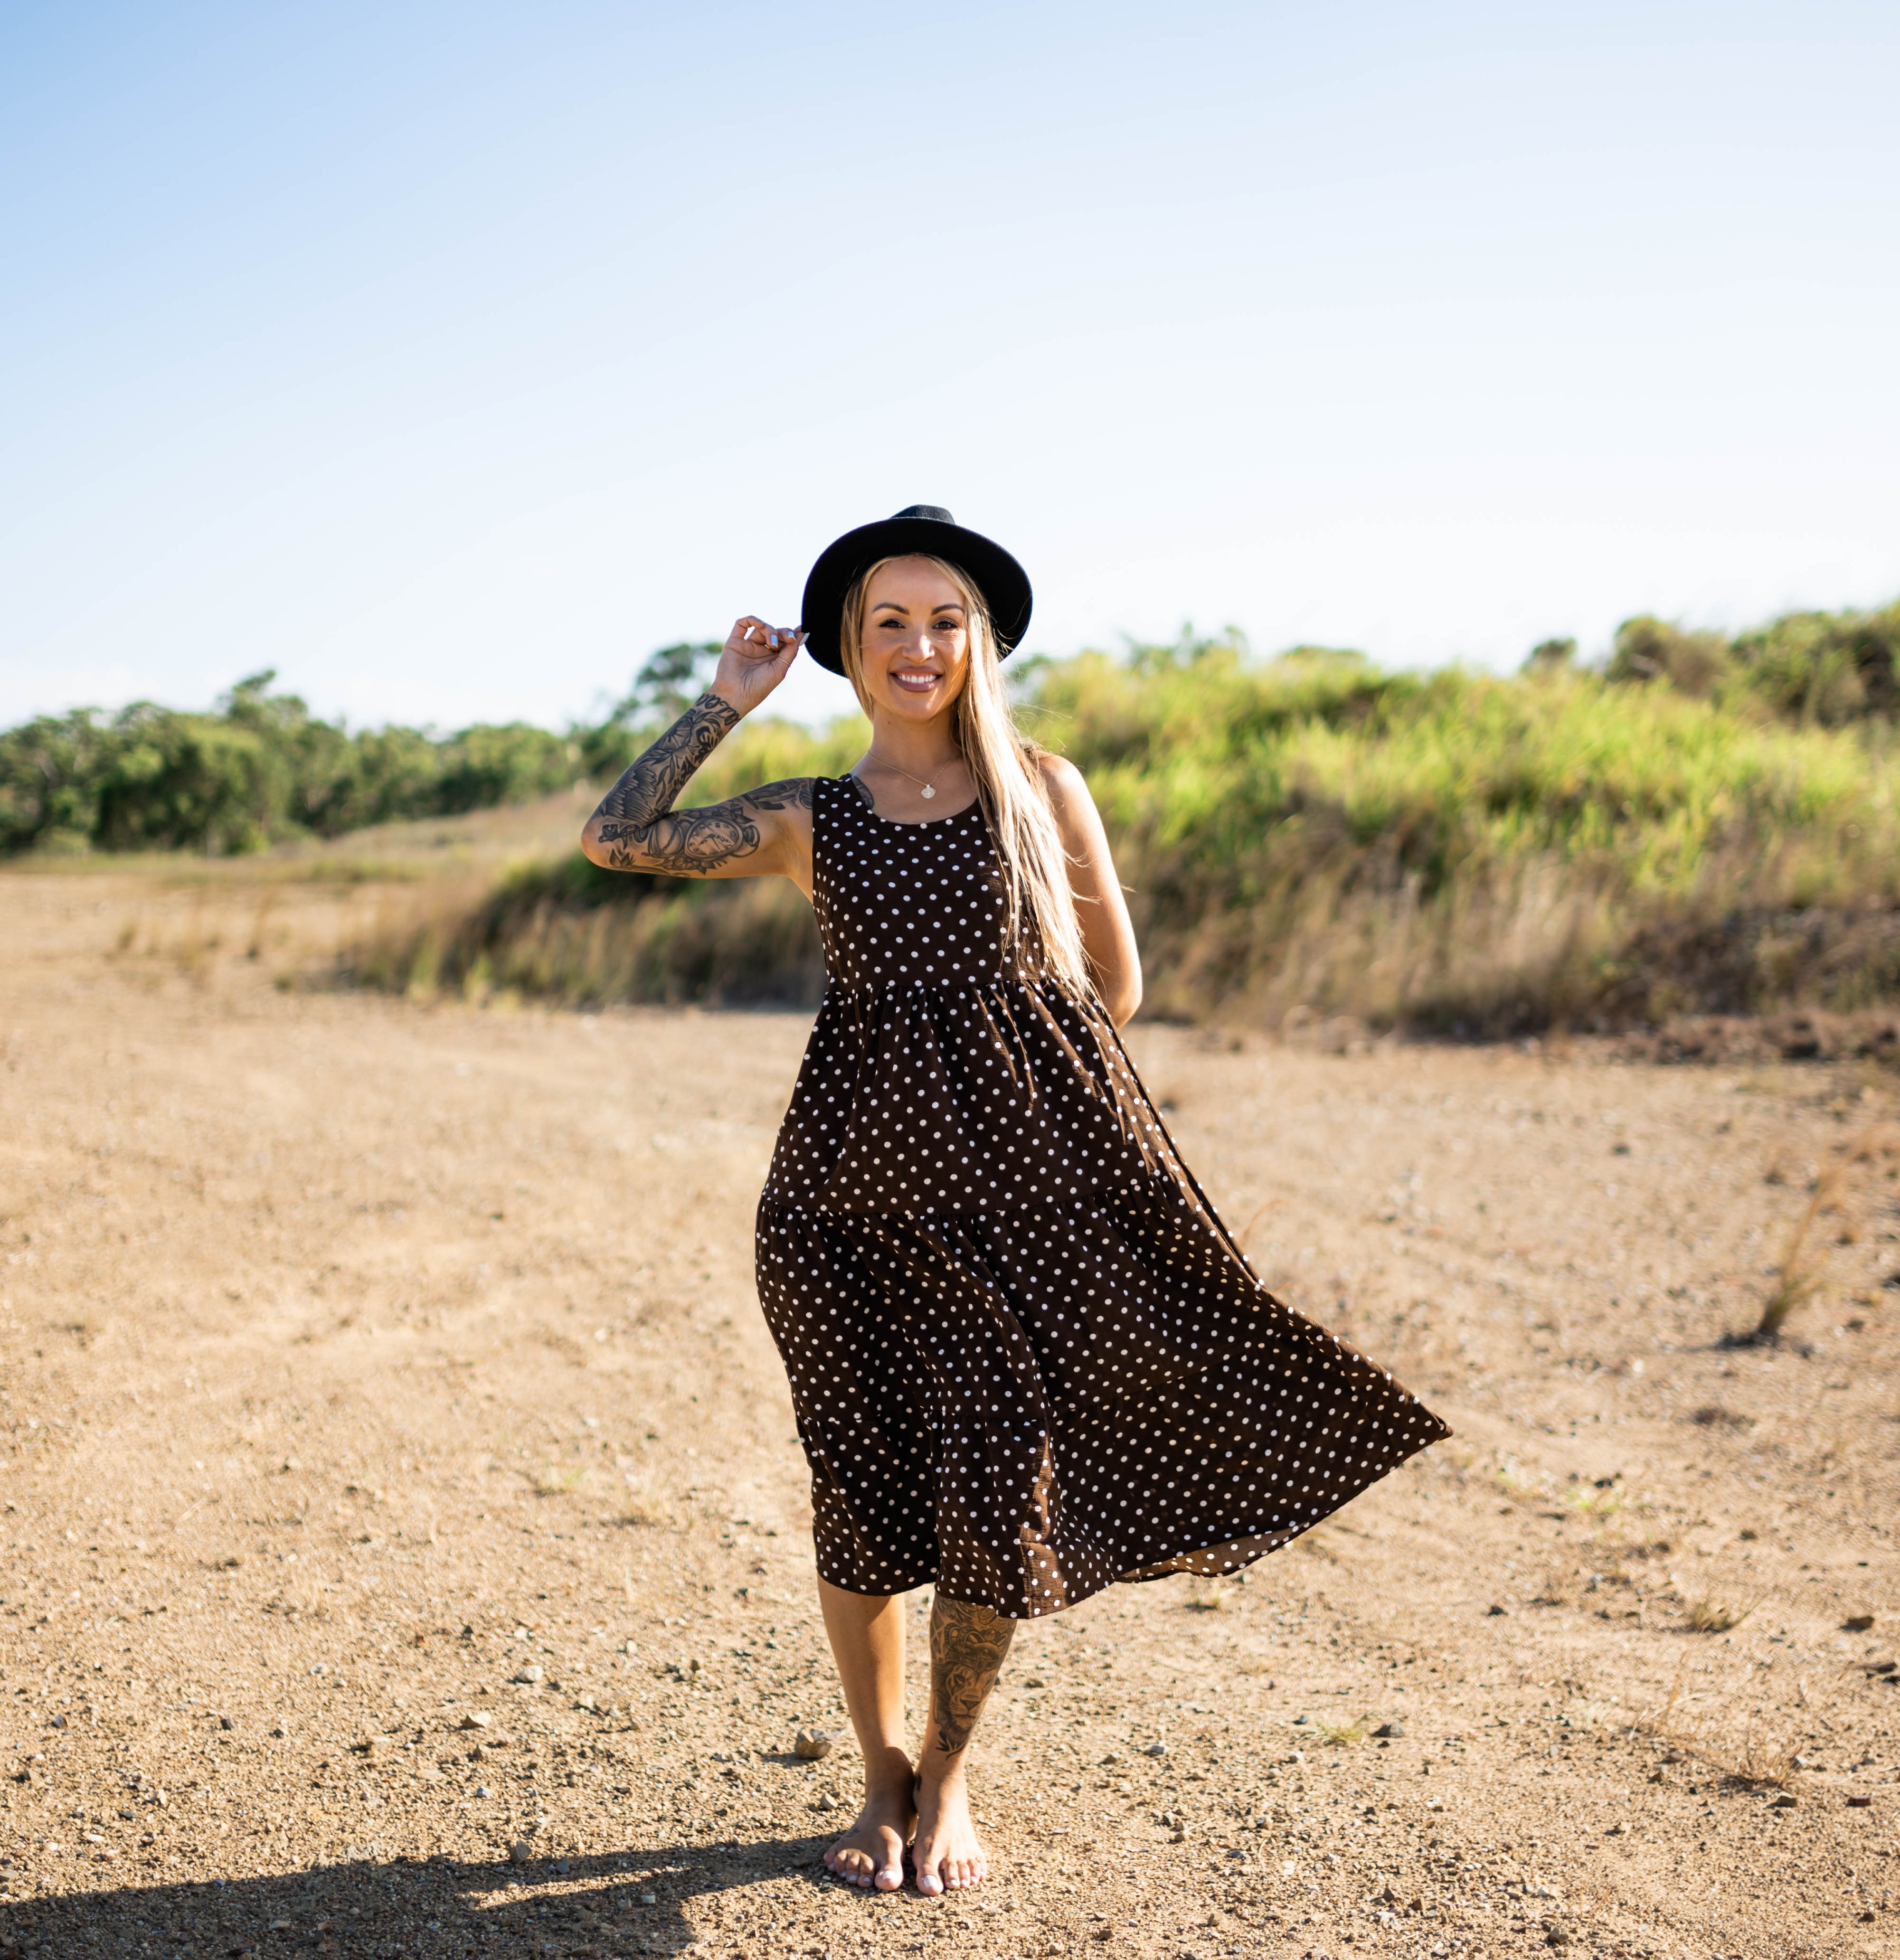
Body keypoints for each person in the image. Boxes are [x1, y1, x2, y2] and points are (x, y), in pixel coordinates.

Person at [581, 506, 1449, 1897]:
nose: (919, 647)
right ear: (852, 655)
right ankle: (876, 1776)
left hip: (1018, 1202)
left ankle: (951, 1775)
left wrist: (1021, 1098)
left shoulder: (1042, 786)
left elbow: (1116, 988)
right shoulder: (813, 815)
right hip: (842, 1207)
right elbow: (617, 838)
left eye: (945, 623)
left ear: (978, 642)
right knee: (860, 1491)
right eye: (889, 625)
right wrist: (724, 701)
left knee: (1000, 1494)